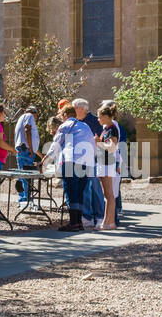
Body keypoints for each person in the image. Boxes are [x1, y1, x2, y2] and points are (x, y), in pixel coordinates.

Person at [50, 103, 95, 231]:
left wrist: (44, 159)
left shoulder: (66, 125)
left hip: (71, 161)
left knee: (71, 191)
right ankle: (79, 222)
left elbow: (55, 144)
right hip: (87, 163)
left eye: (61, 115)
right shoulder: (85, 126)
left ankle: (74, 223)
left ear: (65, 115)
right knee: (80, 192)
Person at [73, 98, 107, 227]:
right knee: (85, 189)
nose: (72, 111)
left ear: (81, 109)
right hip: (81, 160)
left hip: (93, 159)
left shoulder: (94, 121)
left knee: (95, 188)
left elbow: (101, 140)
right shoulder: (76, 122)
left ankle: (99, 216)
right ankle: (87, 217)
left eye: (74, 108)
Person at [94, 105, 119, 229]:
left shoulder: (112, 129)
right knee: (107, 194)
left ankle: (108, 222)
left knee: (109, 194)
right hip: (104, 162)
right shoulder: (107, 128)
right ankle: (109, 222)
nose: (98, 120)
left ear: (104, 117)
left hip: (107, 163)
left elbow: (112, 147)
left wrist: (99, 142)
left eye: (99, 117)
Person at [13, 105, 42, 202]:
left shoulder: (21, 118)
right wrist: (30, 150)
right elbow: (27, 130)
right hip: (26, 150)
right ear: (34, 113)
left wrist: (40, 155)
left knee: (23, 174)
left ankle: (23, 198)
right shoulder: (29, 116)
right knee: (26, 175)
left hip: (24, 149)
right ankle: (26, 200)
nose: (36, 119)